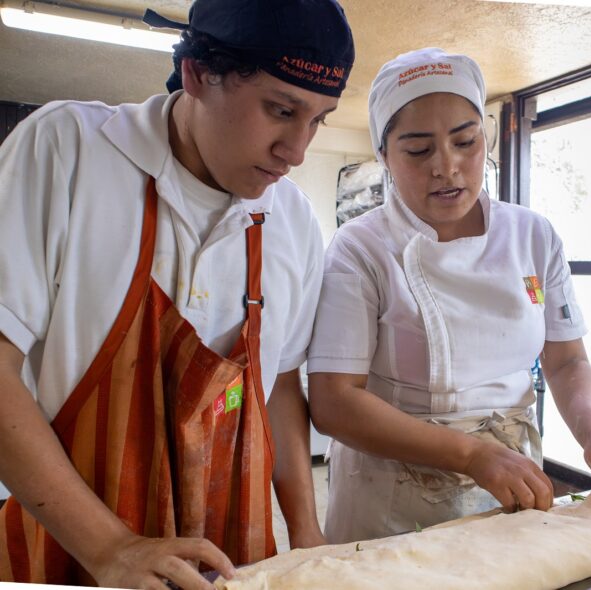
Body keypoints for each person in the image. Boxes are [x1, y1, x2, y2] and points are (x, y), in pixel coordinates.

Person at [0, 0, 354, 587]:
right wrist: (112, 548)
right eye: (281, 110)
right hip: (67, 551)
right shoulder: (69, 151)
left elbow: (282, 384)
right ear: (196, 75)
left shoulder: (291, 219)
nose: (297, 151)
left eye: (317, 119)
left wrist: (306, 535)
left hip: (235, 559)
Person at [307, 47, 591, 544]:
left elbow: (565, 362)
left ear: (486, 138)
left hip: (511, 480)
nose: (446, 167)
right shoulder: (362, 247)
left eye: (465, 142)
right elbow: (334, 402)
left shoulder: (533, 235)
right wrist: (471, 455)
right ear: (384, 156)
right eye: (418, 150)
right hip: (391, 494)